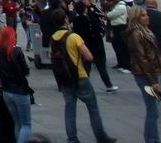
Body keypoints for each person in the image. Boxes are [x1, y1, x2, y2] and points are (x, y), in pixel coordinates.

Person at [48, 8, 116, 143]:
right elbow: (89, 57)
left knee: (70, 108)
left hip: (64, 78)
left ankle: (72, 139)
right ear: (66, 20)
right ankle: (101, 136)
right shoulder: (73, 37)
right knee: (92, 107)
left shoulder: (53, 39)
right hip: (79, 75)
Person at [124, 5, 161, 143]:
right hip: (145, 74)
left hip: (151, 72)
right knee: (153, 110)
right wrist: (152, 81)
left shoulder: (144, 31)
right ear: (136, 18)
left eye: (146, 14)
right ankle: (151, 139)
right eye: (143, 15)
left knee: (154, 110)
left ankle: (153, 138)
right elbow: (142, 59)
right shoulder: (136, 34)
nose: (147, 17)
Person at [0, 26, 32, 143]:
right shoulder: (16, 51)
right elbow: (25, 70)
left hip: (6, 90)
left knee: (17, 122)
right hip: (19, 89)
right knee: (26, 124)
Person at [72, 0, 118, 93]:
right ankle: (108, 85)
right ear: (85, 9)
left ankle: (84, 86)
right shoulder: (90, 18)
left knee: (86, 68)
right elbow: (98, 30)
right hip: (96, 46)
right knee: (101, 68)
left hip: (84, 46)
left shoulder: (75, 21)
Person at [106, 0, 130, 73]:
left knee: (122, 47)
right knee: (118, 47)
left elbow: (110, 15)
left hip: (120, 28)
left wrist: (106, 14)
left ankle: (127, 66)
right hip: (116, 28)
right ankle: (122, 63)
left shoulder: (120, 7)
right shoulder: (117, 6)